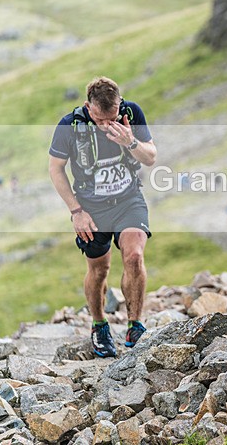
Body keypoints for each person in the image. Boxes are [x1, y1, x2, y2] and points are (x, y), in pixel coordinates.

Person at [48, 76, 156, 357]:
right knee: (99, 269)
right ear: (88, 108)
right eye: (100, 119)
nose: (108, 124)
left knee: (134, 256)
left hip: (128, 200)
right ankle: (99, 324)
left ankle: (135, 325)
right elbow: (55, 169)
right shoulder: (69, 126)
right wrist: (76, 211)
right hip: (91, 208)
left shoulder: (131, 113)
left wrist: (130, 141)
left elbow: (151, 157)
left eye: (113, 117)